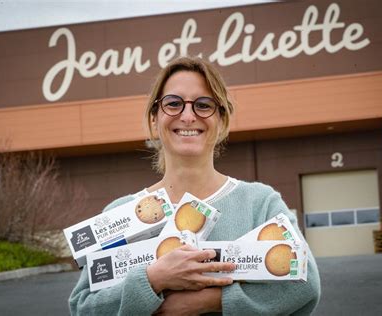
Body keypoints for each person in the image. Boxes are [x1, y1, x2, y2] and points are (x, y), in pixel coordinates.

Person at [69, 56, 321, 315]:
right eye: (173, 104)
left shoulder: (260, 203)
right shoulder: (119, 215)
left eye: (203, 105)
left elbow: (305, 284)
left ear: (222, 121)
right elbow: (83, 308)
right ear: (155, 119)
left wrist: (209, 301)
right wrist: (153, 280)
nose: (188, 116)